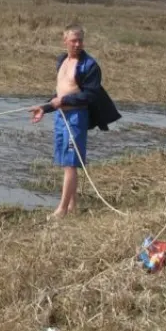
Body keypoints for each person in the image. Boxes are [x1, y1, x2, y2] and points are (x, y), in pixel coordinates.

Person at [29, 24, 121, 219]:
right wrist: (44, 108)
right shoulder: (62, 60)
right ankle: (72, 207)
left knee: (71, 163)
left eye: (80, 40)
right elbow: (60, 91)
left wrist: (64, 101)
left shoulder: (90, 65)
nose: (77, 44)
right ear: (65, 41)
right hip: (61, 118)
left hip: (77, 118)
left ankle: (61, 210)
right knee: (65, 162)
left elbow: (90, 95)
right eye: (73, 40)